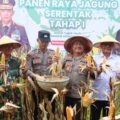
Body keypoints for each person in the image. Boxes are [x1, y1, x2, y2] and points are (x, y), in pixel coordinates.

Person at [26, 30, 56, 120]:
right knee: (37, 112)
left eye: (47, 42)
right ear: (37, 40)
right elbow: (27, 70)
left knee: (51, 110)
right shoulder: (31, 54)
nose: (44, 44)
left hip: (50, 88)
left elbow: (59, 71)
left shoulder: (53, 54)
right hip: (36, 87)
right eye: (42, 41)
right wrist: (36, 76)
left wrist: (58, 63)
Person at [63, 36, 93, 120]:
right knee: (67, 117)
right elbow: (58, 70)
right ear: (72, 47)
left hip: (80, 96)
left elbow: (94, 76)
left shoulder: (88, 59)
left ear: (84, 48)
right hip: (67, 94)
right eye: (76, 44)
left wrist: (90, 70)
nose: (78, 46)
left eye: (81, 44)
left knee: (78, 118)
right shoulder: (66, 58)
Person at [90, 35, 120, 120]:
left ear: (112, 46)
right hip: (96, 95)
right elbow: (91, 76)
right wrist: (98, 70)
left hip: (111, 95)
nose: (107, 46)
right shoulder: (94, 58)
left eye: (110, 44)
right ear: (101, 46)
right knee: (94, 118)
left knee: (109, 118)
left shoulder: (118, 59)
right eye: (105, 44)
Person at [0, 36, 22, 119]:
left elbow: (23, 78)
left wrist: (24, 72)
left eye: (10, 45)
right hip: (1, 95)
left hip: (14, 94)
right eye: (6, 45)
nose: (9, 47)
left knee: (15, 116)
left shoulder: (17, 61)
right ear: (1, 47)